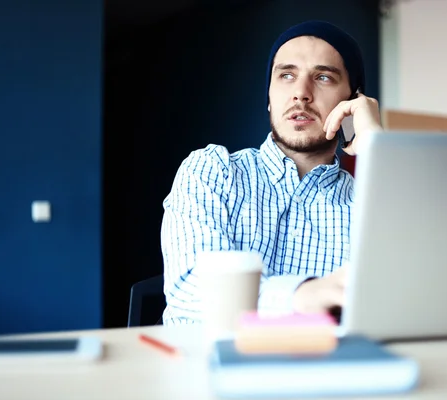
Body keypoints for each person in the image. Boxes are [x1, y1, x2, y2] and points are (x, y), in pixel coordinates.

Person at [160, 20, 383, 325]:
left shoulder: (373, 204)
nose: (301, 94)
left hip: (324, 369)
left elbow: (416, 290)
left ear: (352, 103)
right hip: (208, 366)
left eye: (323, 77)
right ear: (269, 98)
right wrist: (300, 298)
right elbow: (191, 289)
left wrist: (376, 147)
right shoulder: (212, 171)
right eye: (287, 75)